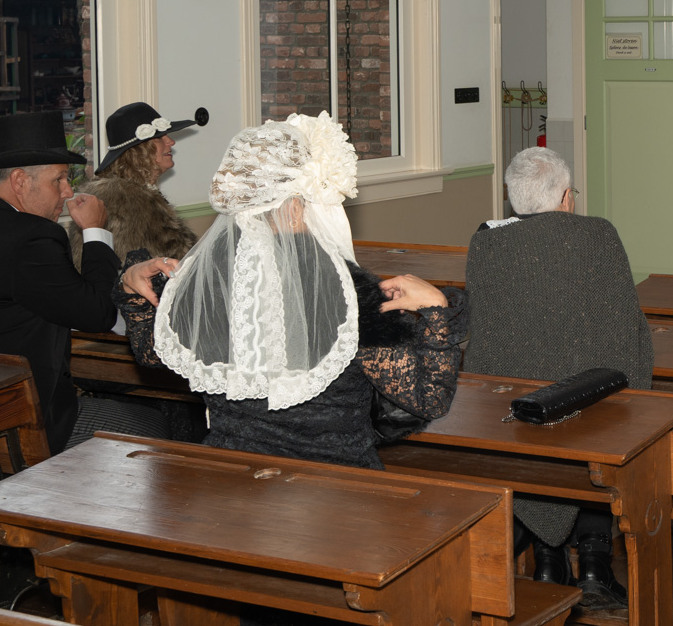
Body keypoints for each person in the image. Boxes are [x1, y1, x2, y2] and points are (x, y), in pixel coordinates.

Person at [115, 112, 464, 473]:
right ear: (297, 207)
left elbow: (152, 353)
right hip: (332, 481)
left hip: (229, 476)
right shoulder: (350, 294)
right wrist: (437, 310)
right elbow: (427, 399)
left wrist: (130, 285)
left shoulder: (204, 281)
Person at [0, 111, 174, 550]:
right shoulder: (29, 237)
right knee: (152, 425)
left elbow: (39, 299)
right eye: (59, 179)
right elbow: (97, 311)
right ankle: (98, 554)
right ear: (20, 181)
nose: (68, 192)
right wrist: (95, 231)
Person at [462, 147, 651, 608]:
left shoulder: (485, 243)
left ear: (512, 198)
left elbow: (483, 330)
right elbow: (625, 323)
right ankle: (594, 564)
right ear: (567, 197)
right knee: (600, 406)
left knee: (540, 400)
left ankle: (548, 561)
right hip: (583, 402)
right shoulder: (599, 234)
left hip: (510, 405)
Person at [67, 102, 209, 267]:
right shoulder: (124, 201)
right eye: (159, 138)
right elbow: (141, 270)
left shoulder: (135, 192)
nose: (171, 142)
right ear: (138, 150)